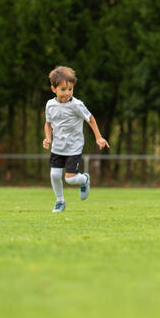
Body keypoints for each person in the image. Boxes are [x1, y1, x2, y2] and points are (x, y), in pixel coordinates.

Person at [42, 66, 109, 213]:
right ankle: (60, 201)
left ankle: (84, 179)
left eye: (70, 89)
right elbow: (48, 124)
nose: (67, 93)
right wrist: (48, 138)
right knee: (54, 174)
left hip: (74, 147)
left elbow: (90, 118)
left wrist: (99, 137)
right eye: (63, 89)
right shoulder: (50, 105)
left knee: (70, 179)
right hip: (57, 147)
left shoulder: (77, 105)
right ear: (53, 89)